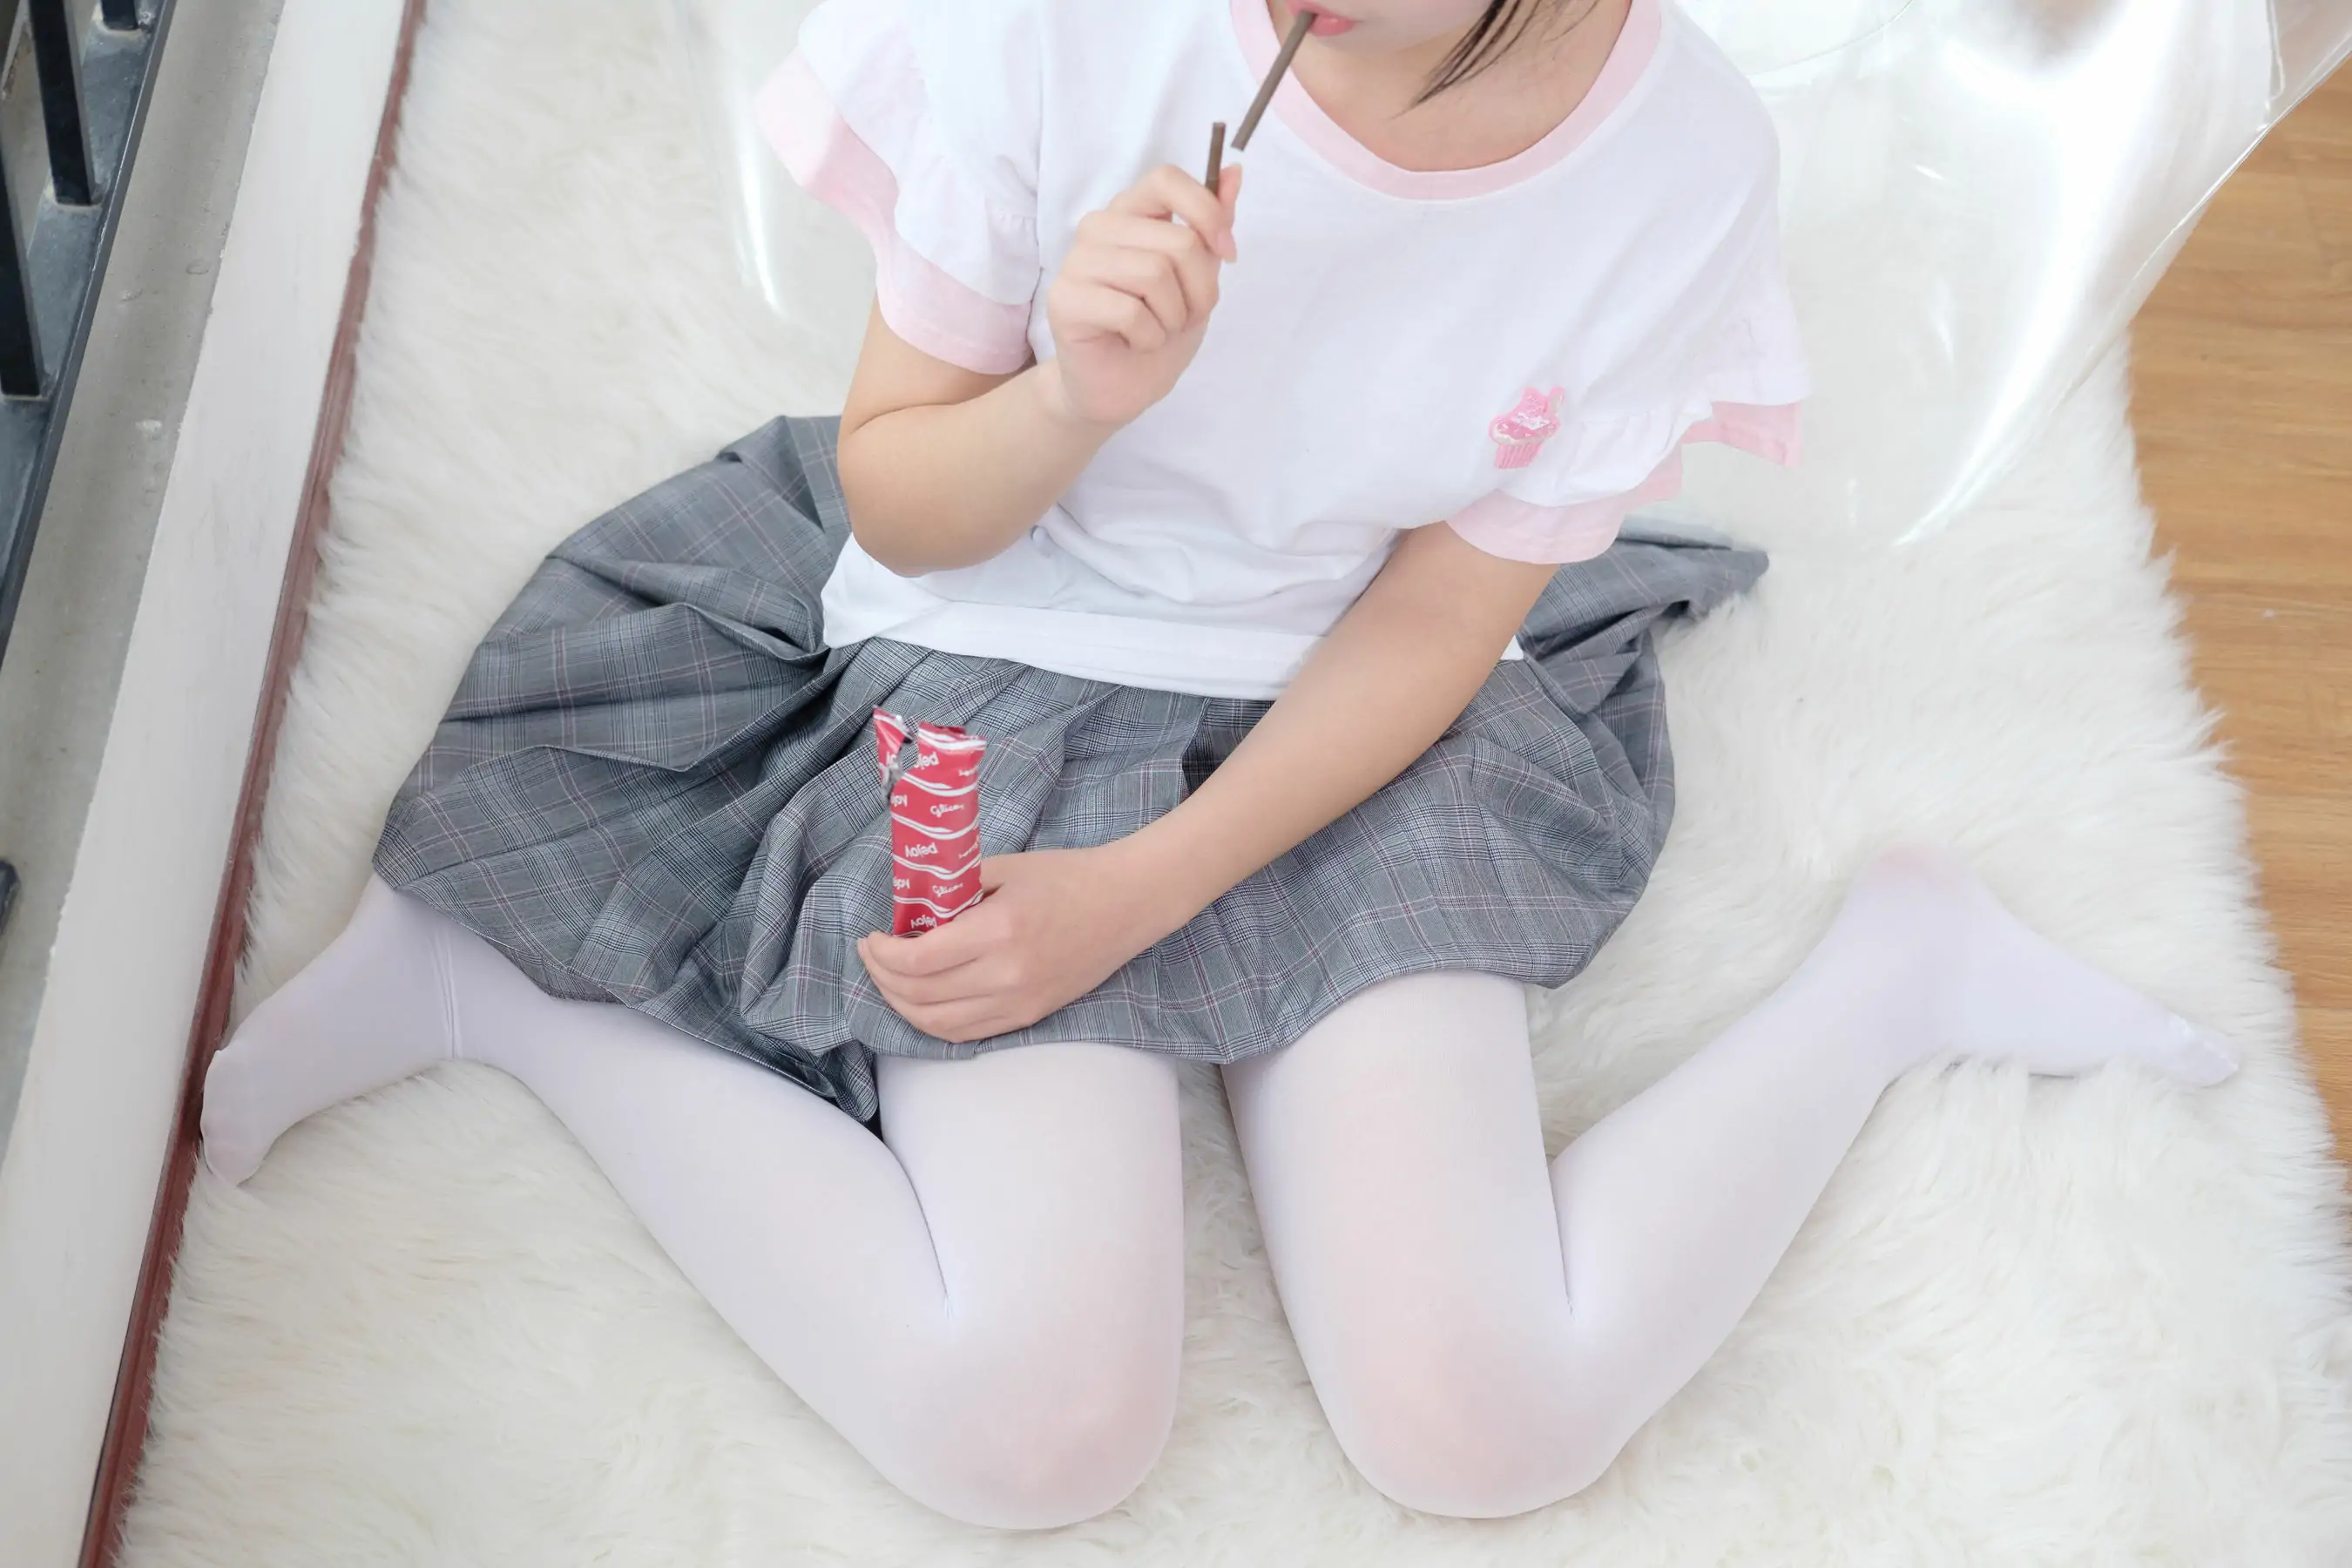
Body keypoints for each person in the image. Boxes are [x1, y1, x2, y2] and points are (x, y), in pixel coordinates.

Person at [199, 0, 2239, 1531]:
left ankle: (1894, 976)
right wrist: (1074, 399)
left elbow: (1432, 627)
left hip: (1365, 714)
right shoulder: (1057, 29)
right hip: (1005, 639)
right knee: (1034, 1429)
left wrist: (1147, 884)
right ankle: (508, 991)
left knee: (1485, 1422)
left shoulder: (1674, 162)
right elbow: (901, 498)